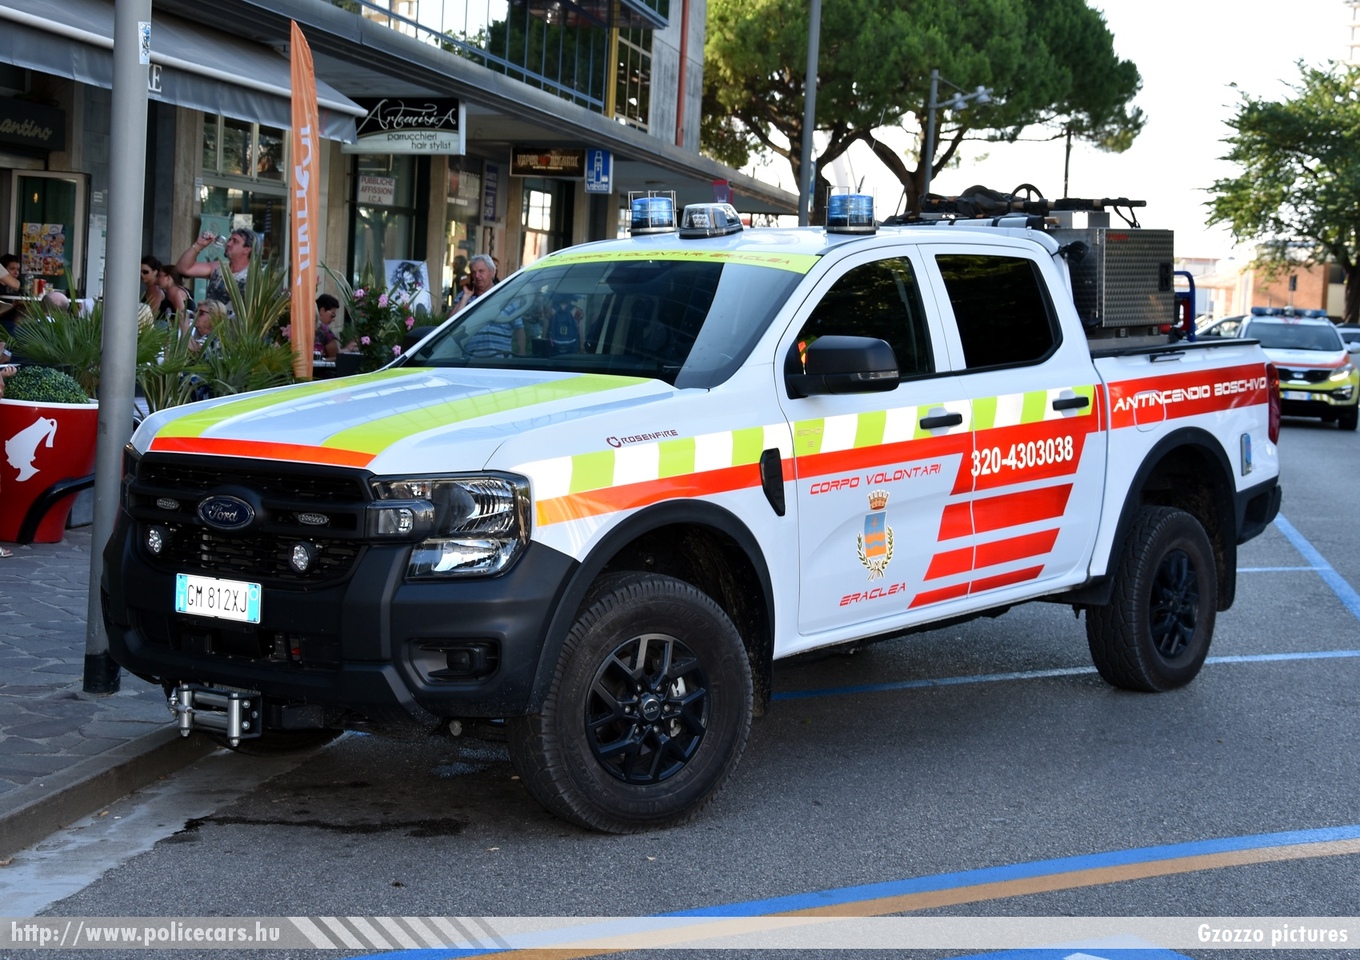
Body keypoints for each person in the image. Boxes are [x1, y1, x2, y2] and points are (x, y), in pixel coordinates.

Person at [175, 228, 253, 309]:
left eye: (235, 241)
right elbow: (182, 268)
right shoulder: (218, 267)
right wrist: (199, 245)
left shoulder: (252, 277)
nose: (229, 244)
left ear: (247, 249)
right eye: (230, 240)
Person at [155, 263, 196, 332]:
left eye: (159, 276)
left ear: (168, 278)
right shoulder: (178, 289)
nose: (157, 279)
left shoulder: (173, 291)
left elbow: (182, 316)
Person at [315, 293, 342, 360]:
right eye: (332, 315)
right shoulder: (325, 331)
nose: (333, 319)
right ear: (322, 310)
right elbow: (336, 356)